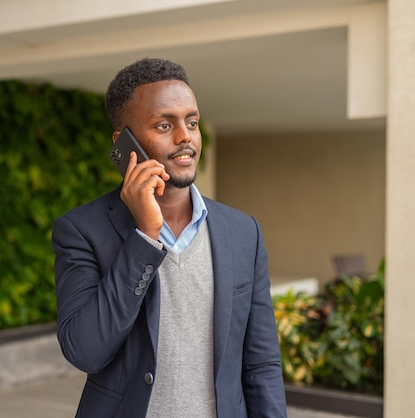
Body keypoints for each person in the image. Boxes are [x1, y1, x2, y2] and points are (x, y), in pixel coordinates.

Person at [51, 57, 287, 418]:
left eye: (191, 122)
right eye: (164, 125)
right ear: (124, 143)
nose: (185, 137)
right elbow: (85, 351)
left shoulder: (243, 232)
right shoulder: (82, 230)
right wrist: (145, 236)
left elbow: (262, 365)